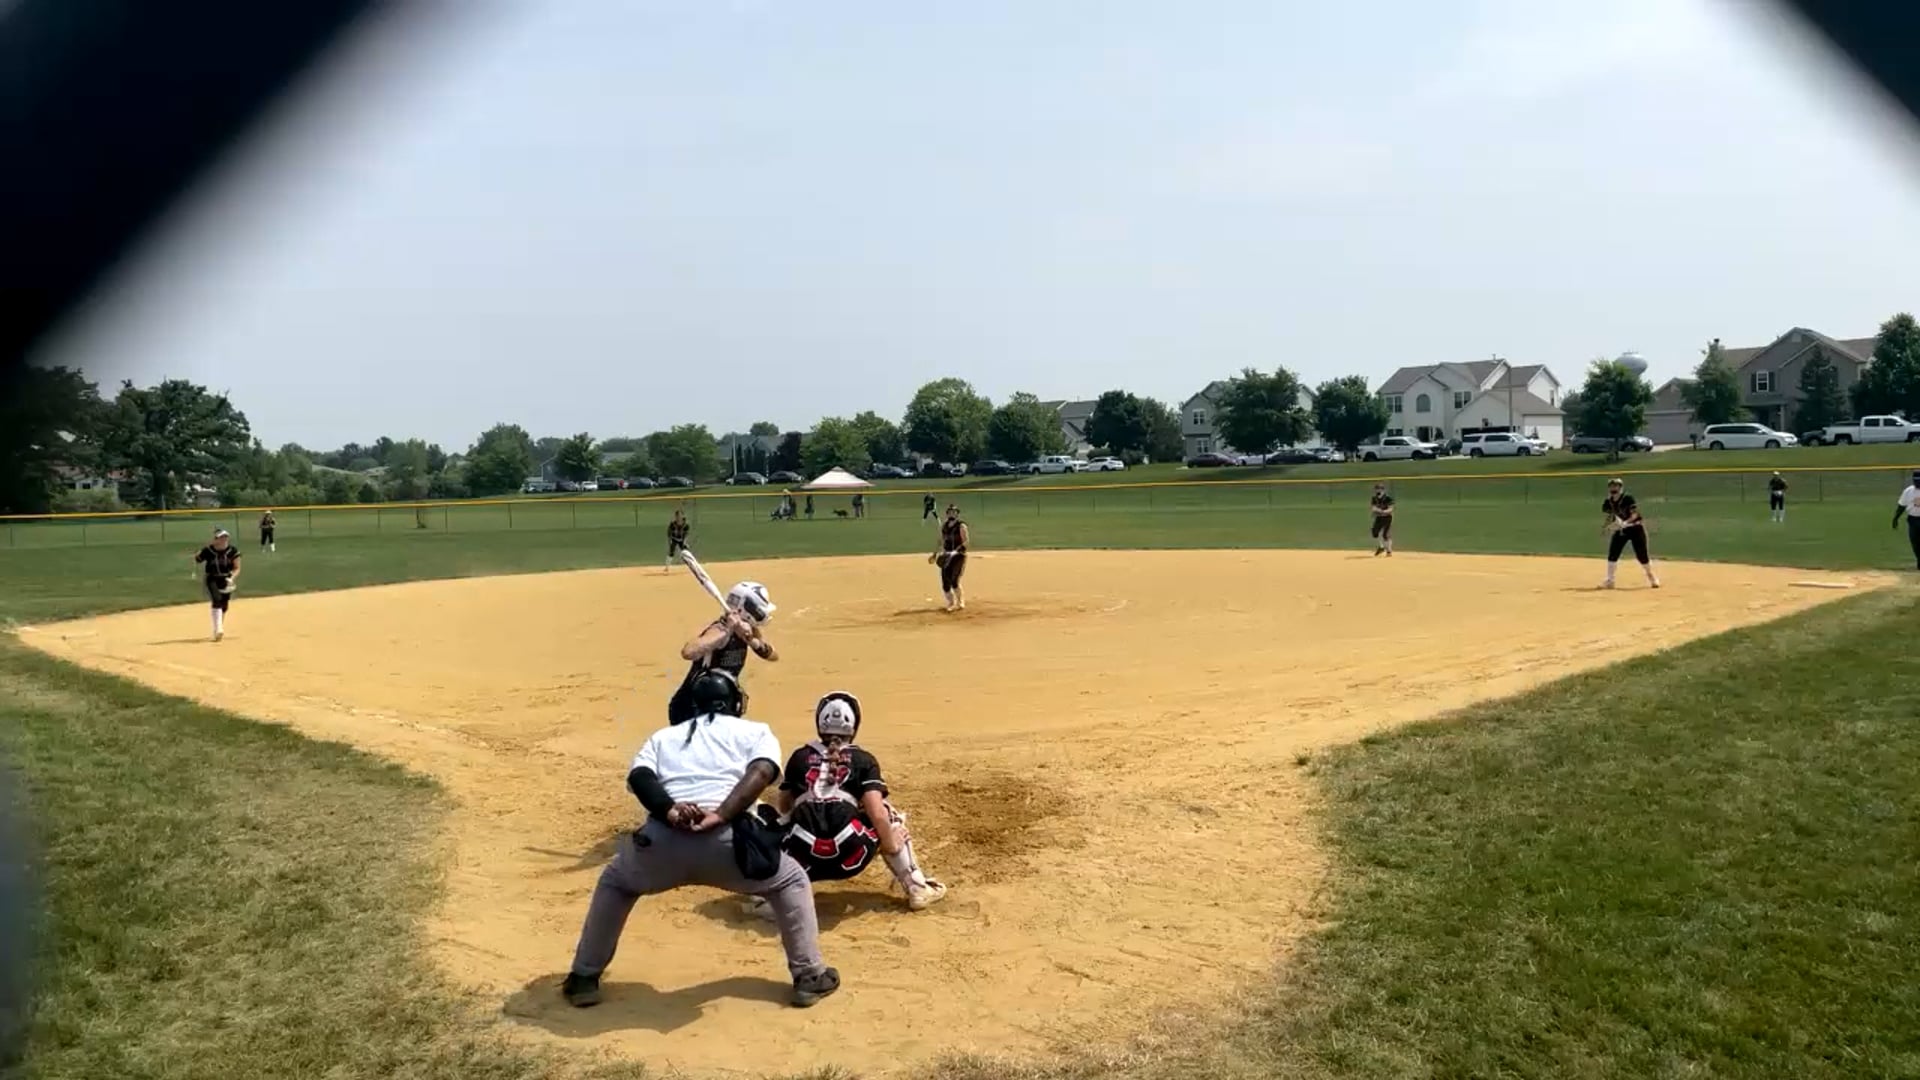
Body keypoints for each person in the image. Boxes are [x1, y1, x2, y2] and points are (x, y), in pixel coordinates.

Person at [561, 669, 840, 1010]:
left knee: (616, 882)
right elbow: (762, 772)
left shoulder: (663, 737)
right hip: (730, 845)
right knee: (791, 879)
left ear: (694, 704)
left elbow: (640, 777)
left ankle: (584, 978)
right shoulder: (756, 731)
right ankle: (809, 976)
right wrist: (720, 815)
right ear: (735, 703)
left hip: (662, 843)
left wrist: (670, 811)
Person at [758, 692, 947, 912]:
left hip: (804, 862)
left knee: (766, 816)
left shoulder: (799, 757)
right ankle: (917, 887)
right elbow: (877, 813)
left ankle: (771, 898)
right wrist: (890, 843)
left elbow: (785, 807)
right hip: (852, 858)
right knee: (887, 812)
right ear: (854, 725)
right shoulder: (863, 760)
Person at [667, 581, 778, 725]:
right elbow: (688, 652)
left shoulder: (749, 630)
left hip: (720, 705)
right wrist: (727, 630)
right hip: (693, 708)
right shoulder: (718, 629)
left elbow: (773, 656)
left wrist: (751, 640)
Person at [1600, 478, 1660, 589]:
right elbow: (1611, 515)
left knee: (1642, 556)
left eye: (1616, 486)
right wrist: (1606, 527)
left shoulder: (1627, 498)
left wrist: (1625, 522)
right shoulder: (1608, 502)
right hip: (1622, 530)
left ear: (1620, 487)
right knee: (1613, 553)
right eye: (1611, 486)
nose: (1613, 488)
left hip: (1636, 529)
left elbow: (1635, 514)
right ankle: (1610, 580)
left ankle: (1651, 576)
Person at [192, 527, 242, 640]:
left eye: (225, 537)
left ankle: (217, 629)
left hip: (226, 579)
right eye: (221, 537)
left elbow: (237, 568)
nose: (224, 539)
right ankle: (219, 628)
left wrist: (232, 578)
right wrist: (203, 550)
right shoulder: (209, 550)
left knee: (224, 605)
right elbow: (197, 559)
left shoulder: (233, 551)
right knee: (216, 599)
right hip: (212, 578)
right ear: (216, 539)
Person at [932, 504, 969, 611]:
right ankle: (951, 603)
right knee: (945, 582)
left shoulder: (961, 526)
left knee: (954, 580)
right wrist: (935, 553)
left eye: (954, 512)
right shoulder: (944, 526)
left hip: (959, 556)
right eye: (950, 512)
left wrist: (956, 551)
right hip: (947, 555)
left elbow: (966, 541)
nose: (952, 514)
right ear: (947, 514)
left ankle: (960, 601)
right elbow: (941, 540)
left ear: (957, 514)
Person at [1894, 469, 1920, 570]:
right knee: (1915, 542)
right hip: (1913, 520)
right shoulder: (1908, 491)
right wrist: (1896, 518)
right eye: (1916, 480)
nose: (1917, 483)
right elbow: (1901, 506)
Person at [1369, 483, 1395, 557]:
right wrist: (1376, 511)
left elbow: (1390, 509)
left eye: (1380, 489)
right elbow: (1373, 508)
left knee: (1385, 535)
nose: (1378, 491)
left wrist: (1382, 511)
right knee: (1374, 532)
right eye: (1376, 489)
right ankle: (1381, 547)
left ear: (1383, 490)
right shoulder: (1374, 498)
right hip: (1379, 517)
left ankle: (1389, 551)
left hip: (1387, 518)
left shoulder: (1388, 498)